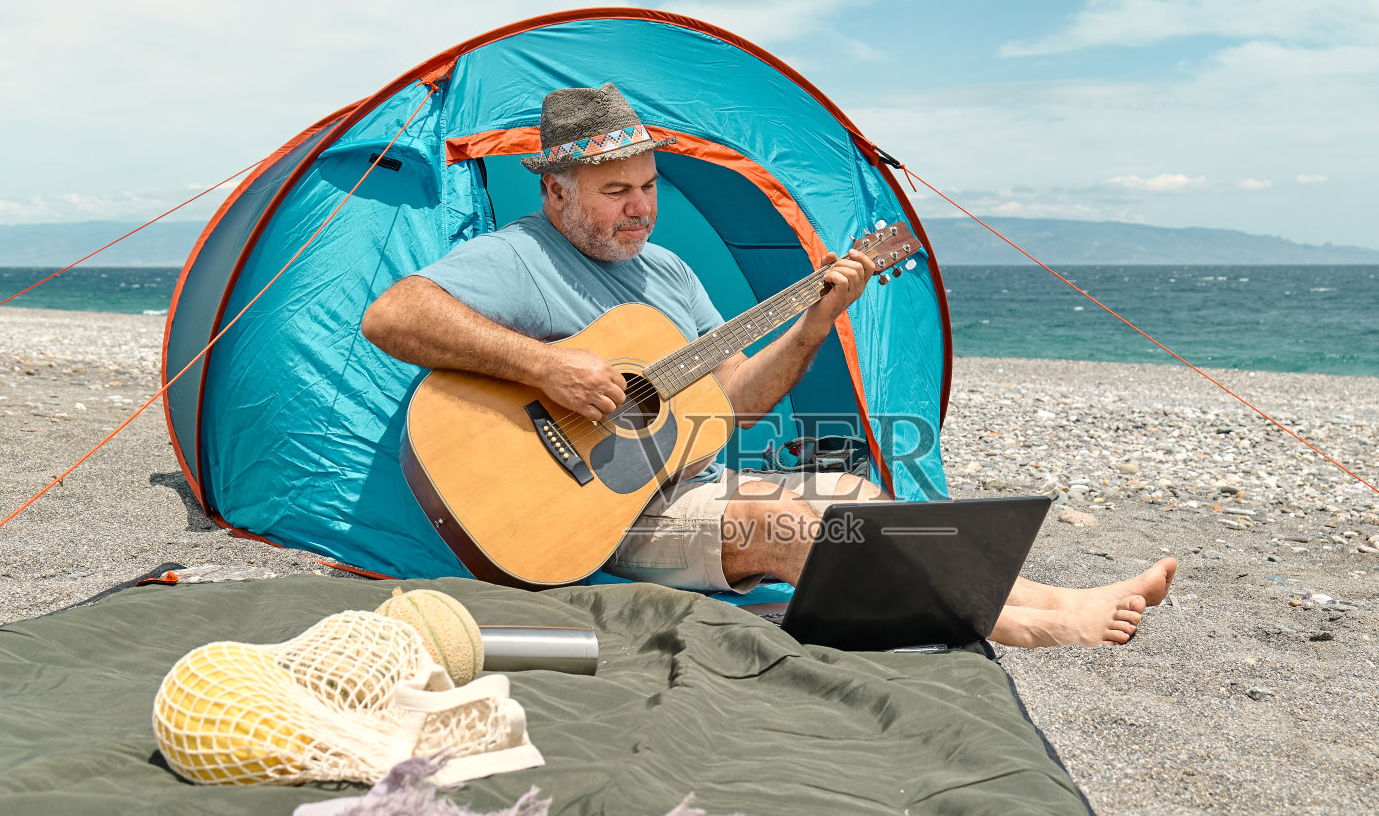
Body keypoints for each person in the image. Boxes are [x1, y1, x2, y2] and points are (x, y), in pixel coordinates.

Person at [362, 83, 1174, 647]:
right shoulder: (519, 257)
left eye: (647, 185)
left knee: (855, 494)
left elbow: (732, 404)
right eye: (616, 190)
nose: (640, 206)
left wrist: (816, 324)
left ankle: (1063, 597)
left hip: (672, 486)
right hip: (584, 516)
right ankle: (1023, 623)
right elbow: (391, 316)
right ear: (558, 194)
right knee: (786, 525)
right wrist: (546, 370)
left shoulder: (670, 274)